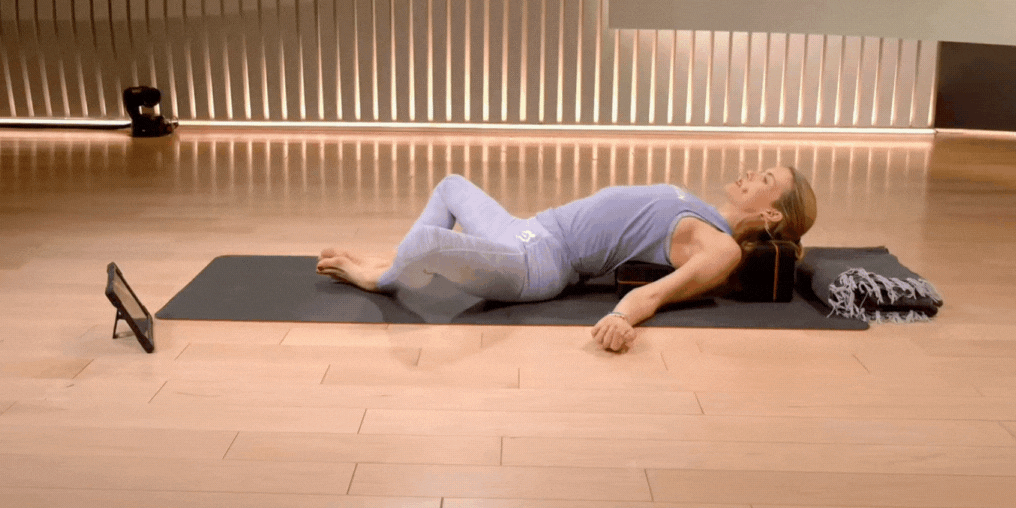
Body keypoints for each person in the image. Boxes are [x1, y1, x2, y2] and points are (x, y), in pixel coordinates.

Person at [317, 167, 817, 351]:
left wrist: (622, 319)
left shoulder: (721, 246)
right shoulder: (702, 208)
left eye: (766, 181)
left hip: (538, 264)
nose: (752, 172)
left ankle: (379, 276)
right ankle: (399, 260)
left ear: (771, 212)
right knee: (451, 187)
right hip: (528, 229)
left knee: (428, 246)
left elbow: (659, 291)